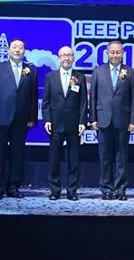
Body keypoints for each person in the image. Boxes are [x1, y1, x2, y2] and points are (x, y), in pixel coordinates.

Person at [0, 38, 39, 200]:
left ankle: (13, 187)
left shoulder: (31, 71)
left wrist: (32, 116)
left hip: (21, 118)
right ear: (9, 50)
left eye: (20, 47)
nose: (17, 50)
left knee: (17, 154)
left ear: (24, 51)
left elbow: (33, 96)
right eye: (14, 47)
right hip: (0, 117)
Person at [90, 41, 134, 200]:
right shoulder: (98, 71)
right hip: (103, 119)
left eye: (118, 52)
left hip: (123, 120)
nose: (115, 55)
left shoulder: (129, 71)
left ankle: (120, 189)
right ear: (107, 53)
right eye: (112, 52)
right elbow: (93, 96)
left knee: (121, 157)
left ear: (123, 53)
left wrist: (133, 120)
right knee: (104, 157)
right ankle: (106, 189)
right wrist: (93, 118)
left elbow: (133, 98)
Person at [41, 46, 87, 200]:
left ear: (73, 58)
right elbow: (46, 102)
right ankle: (55, 190)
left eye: (69, 55)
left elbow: (83, 102)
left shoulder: (80, 77)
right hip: (55, 123)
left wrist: (82, 121)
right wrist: (47, 120)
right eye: (63, 55)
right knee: (54, 159)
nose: (66, 58)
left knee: (74, 160)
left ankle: (72, 191)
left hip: (74, 124)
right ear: (58, 58)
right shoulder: (50, 77)